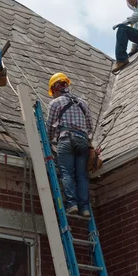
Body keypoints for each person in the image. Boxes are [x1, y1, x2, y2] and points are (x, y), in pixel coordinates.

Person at [46, 72, 94, 217]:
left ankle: (72, 204)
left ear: (55, 88)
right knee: (81, 176)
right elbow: (90, 127)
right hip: (82, 140)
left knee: (67, 173)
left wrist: (48, 141)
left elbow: (50, 127)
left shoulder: (55, 103)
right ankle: (85, 208)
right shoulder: (83, 103)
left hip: (66, 139)